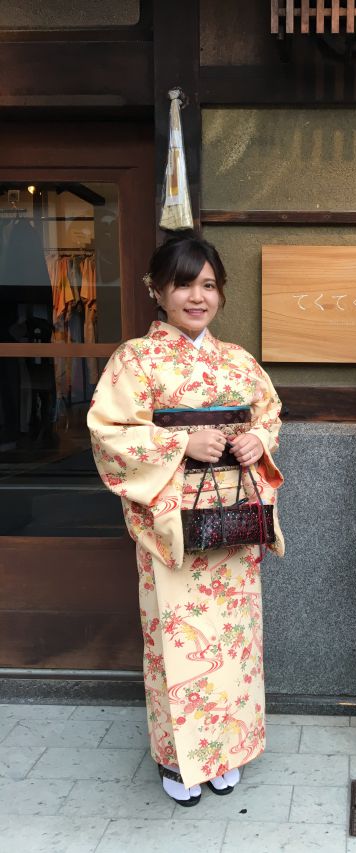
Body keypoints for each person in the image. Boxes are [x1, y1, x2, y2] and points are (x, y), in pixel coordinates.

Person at [87, 234, 284, 806]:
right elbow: (107, 430)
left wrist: (256, 440)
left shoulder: (238, 359)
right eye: (183, 284)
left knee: (234, 640)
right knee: (177, 640)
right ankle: (179, 758)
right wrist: (179, 443)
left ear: (221, 293)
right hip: (171, 525)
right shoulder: (135, 359)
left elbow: (269, 413)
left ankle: (228, 750)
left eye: (209, 285)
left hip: (234, 519)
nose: (197, 297)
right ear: (157, 290)